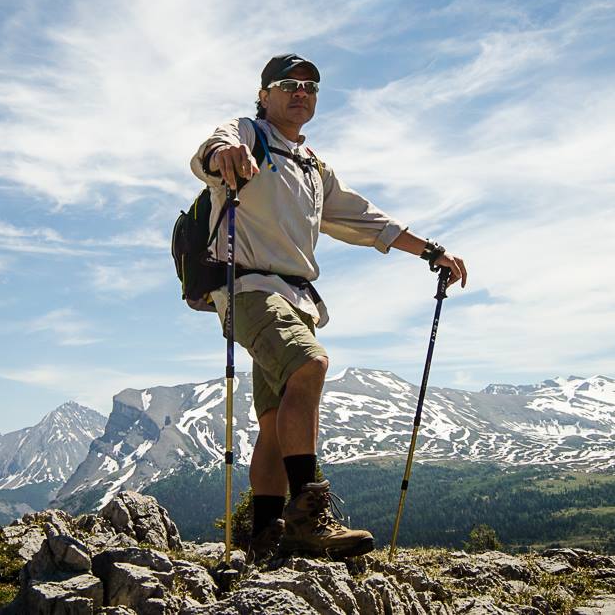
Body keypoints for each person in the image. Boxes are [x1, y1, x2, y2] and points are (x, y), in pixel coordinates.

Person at [189, 53, 467, 562]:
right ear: (264, 94)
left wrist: (431, 252)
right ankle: (307, 517)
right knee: (310, 363)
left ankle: (266, 535)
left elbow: (368, 221)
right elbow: (212, 148)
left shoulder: (314, 168)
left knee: (274, 420)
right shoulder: (248, 135)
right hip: (248, 289)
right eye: (288, 84)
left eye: (311, 87)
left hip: (297, 299)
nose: (302, 92)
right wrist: (224, 152)